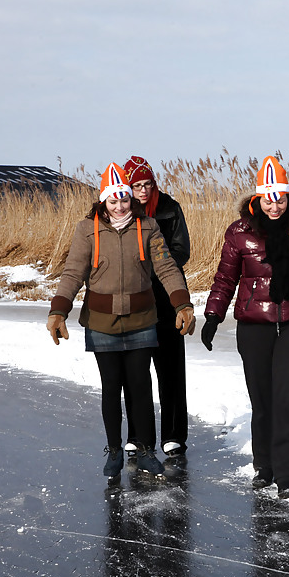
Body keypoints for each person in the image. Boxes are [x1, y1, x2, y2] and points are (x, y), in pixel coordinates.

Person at [200, 155, 289, 499]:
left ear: (287, 197)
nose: (274, 205)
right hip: (254, 324)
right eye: (268, 198)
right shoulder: (239, 232)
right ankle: (265, 467)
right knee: (262, 400)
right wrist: (213, 316)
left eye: (280, 198)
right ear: (257, 199)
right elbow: (225, 278)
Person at [47, 162, 196, 480]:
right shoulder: (86, 230)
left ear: (131, 198)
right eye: (113, 200)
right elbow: (74, 272)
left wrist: (182, 304)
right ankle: (114, 450)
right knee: (112, 387)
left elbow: (167, 267)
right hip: (102, 322)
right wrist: (59, 310)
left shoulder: (149, 227)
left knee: (141, 387)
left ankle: (145, 451)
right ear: (104, 201)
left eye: (124, 199)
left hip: (142, 319)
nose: (119, 206)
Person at [123, 156, 192, 459]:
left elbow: (181, 249)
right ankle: (139, 436)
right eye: (136, 185)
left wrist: (155, 270)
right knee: (135, 369)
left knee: (170, 367)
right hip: (134, 300)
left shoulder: (169, 208)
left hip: (165, 296)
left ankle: (174, 435)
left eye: (147, 184)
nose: (142, 191)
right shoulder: (121, 210)